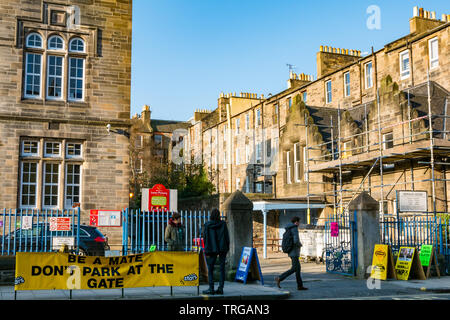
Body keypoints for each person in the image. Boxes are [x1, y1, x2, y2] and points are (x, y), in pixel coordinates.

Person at [201, 208, 230, 295]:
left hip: (211, 248)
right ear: (218, 215)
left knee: (210, 269)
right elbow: (227, 237)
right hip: (222, 248)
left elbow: (205, 238)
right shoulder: (223, 224)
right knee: (222, 269)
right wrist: (227, 247)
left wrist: (206, 249)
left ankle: (211, 288)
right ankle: (220, 288)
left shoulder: (207, 225)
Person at [275, 216, 308, 291]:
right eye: (299, 222)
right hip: (294, 252)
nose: (299, 223)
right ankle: (280, 278)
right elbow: (296, 241)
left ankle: (300, 286)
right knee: (294, 268)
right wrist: (300, 245)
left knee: (298, 269)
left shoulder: (289, 228)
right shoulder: (294, 228)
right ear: (296, 222)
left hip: (291, 251)